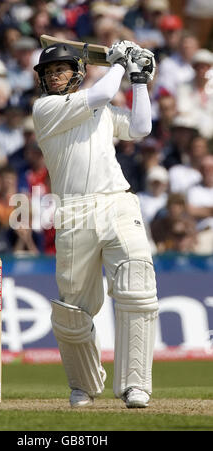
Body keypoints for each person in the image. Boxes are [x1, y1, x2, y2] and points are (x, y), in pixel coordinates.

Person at [33, 40, 158, 409]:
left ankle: (136, 386)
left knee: (138, 287)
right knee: (73, 308)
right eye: (49, 72)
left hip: (118, 201)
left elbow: (140, 127)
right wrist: (120, 63)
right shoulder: (46, 109)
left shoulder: (100, 108)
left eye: (61, 70)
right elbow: (102, 89)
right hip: (74, 212)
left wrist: (138, 81)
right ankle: (83, 386)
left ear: (78, 72)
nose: (54, 76)